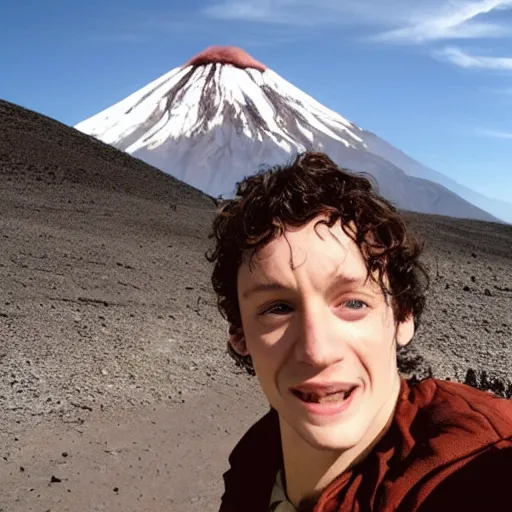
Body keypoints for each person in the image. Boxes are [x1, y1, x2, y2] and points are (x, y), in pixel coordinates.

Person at [206, 152, 512, 512]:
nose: (317, 350)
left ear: (402, 316)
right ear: (239, 334)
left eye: (353, 303)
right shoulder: (254, 461)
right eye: (278, 309)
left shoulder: (476, 468)